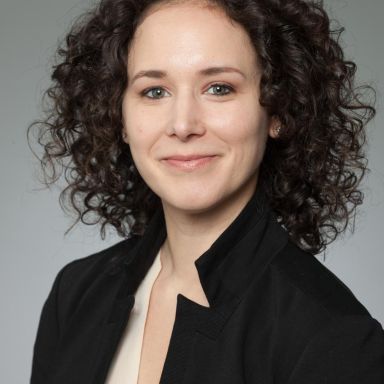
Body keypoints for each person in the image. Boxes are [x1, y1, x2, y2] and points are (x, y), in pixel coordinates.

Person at [29, 0, 384, 383]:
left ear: (279, 111)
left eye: (219, 88)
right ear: (120, 118)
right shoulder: (76, 294)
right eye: (154, 91)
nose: (183, 125)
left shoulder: (334, 337)